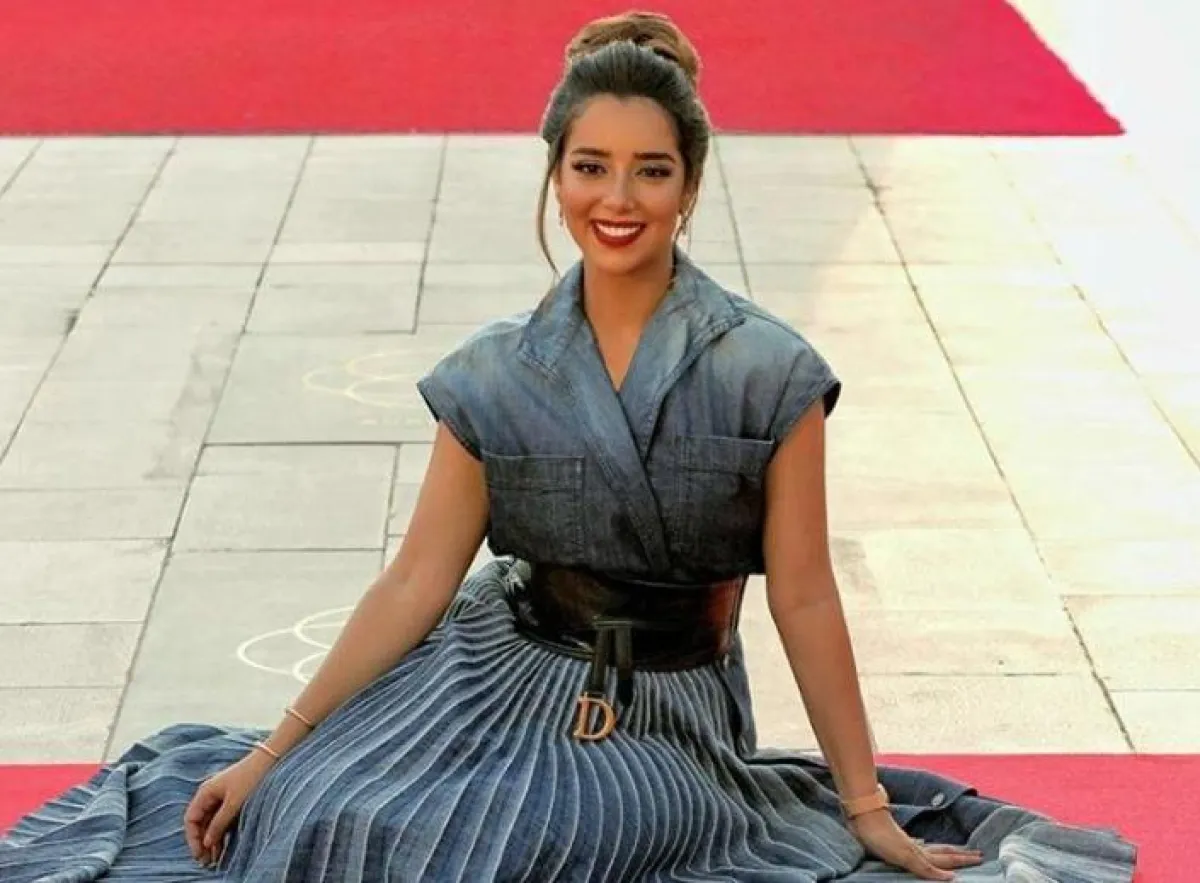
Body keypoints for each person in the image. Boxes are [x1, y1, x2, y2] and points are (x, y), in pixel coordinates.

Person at [0, 11, 1137, 883]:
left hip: (665, 711)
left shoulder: (769, 371)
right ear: (555, 175)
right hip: (487, 672)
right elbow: (416, 581)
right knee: (333, 815)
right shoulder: (494, 372)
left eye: (651, 169)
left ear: (691, 183)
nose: (617, 197)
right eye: (590, 166)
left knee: (530, 845)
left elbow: (802, 596)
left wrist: (866, 807)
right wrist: (272, 750)